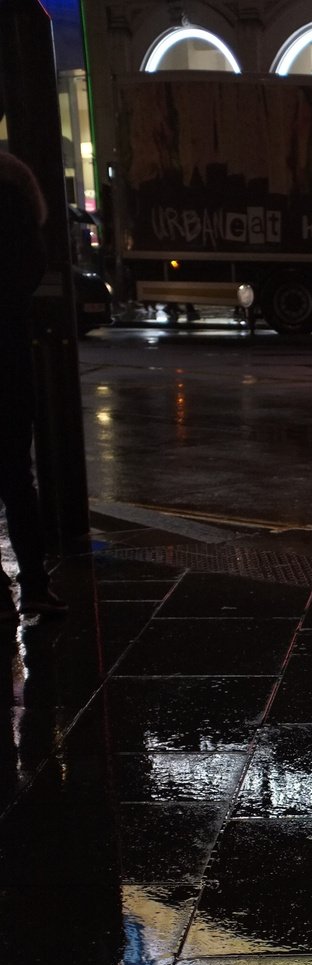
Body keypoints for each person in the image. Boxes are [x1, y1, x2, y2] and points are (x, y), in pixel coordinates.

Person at [0, 153, 68, 626]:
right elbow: (32, 268)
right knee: (17, 477)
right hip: (8, 356)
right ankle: (34, 584)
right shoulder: (17, 201)